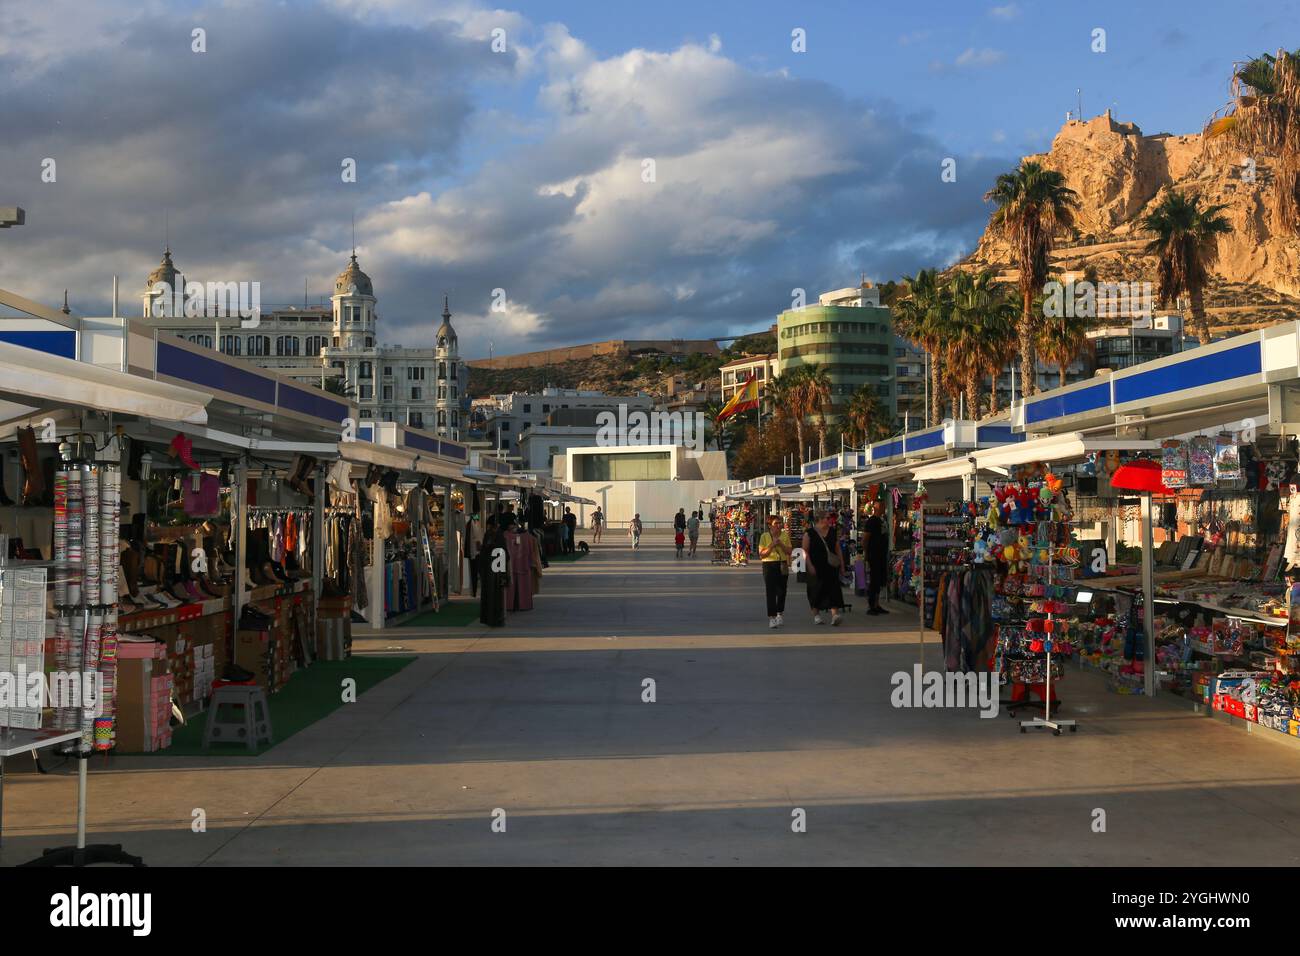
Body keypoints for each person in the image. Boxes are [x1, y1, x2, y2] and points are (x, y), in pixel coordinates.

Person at [802, 510, 846, 625]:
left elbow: (837, 549)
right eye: (827, 518)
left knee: (833, 589)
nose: (830, 520)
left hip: (830, 566)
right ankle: (816, 615)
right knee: (815, 591)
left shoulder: (832, 531)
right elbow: (804, 551)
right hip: (816, 567)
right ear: (820, 519)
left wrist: (842, 565)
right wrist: (809, 565)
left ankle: (835, 615)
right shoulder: (809, 533)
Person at [759, 515, 792, 628]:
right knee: (771, 591)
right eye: (776, 523)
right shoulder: (764, 536)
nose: (779, 526)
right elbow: (762, 554)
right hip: (769, 564)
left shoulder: (785, 535)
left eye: (780, 523)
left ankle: (780, 614)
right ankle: (772, 617)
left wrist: (781, 544)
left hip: (782, 564)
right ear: (770, 525)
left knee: (782, 591)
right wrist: (772, 545)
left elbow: (789, 551)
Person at [478, 515, 508, 627]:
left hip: (489, 568)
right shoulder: (500, 536)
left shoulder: (488, 535)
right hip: (499, 568)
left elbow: (484, 552)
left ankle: (489, 618)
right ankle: (498, 618)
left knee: (488, 594)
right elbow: (505, 553)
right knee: (498, 596)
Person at [862, 501, 890, 615]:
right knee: (874, 580)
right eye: (882, 506)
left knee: (879, 580)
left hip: (881, 555)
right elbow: (865, 538)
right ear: (876, 507)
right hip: (874, 555)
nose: (884, 508)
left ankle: (877, 604)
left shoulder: (882, 520)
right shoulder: (872, 521)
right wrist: (866, 553)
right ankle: (871, 605)